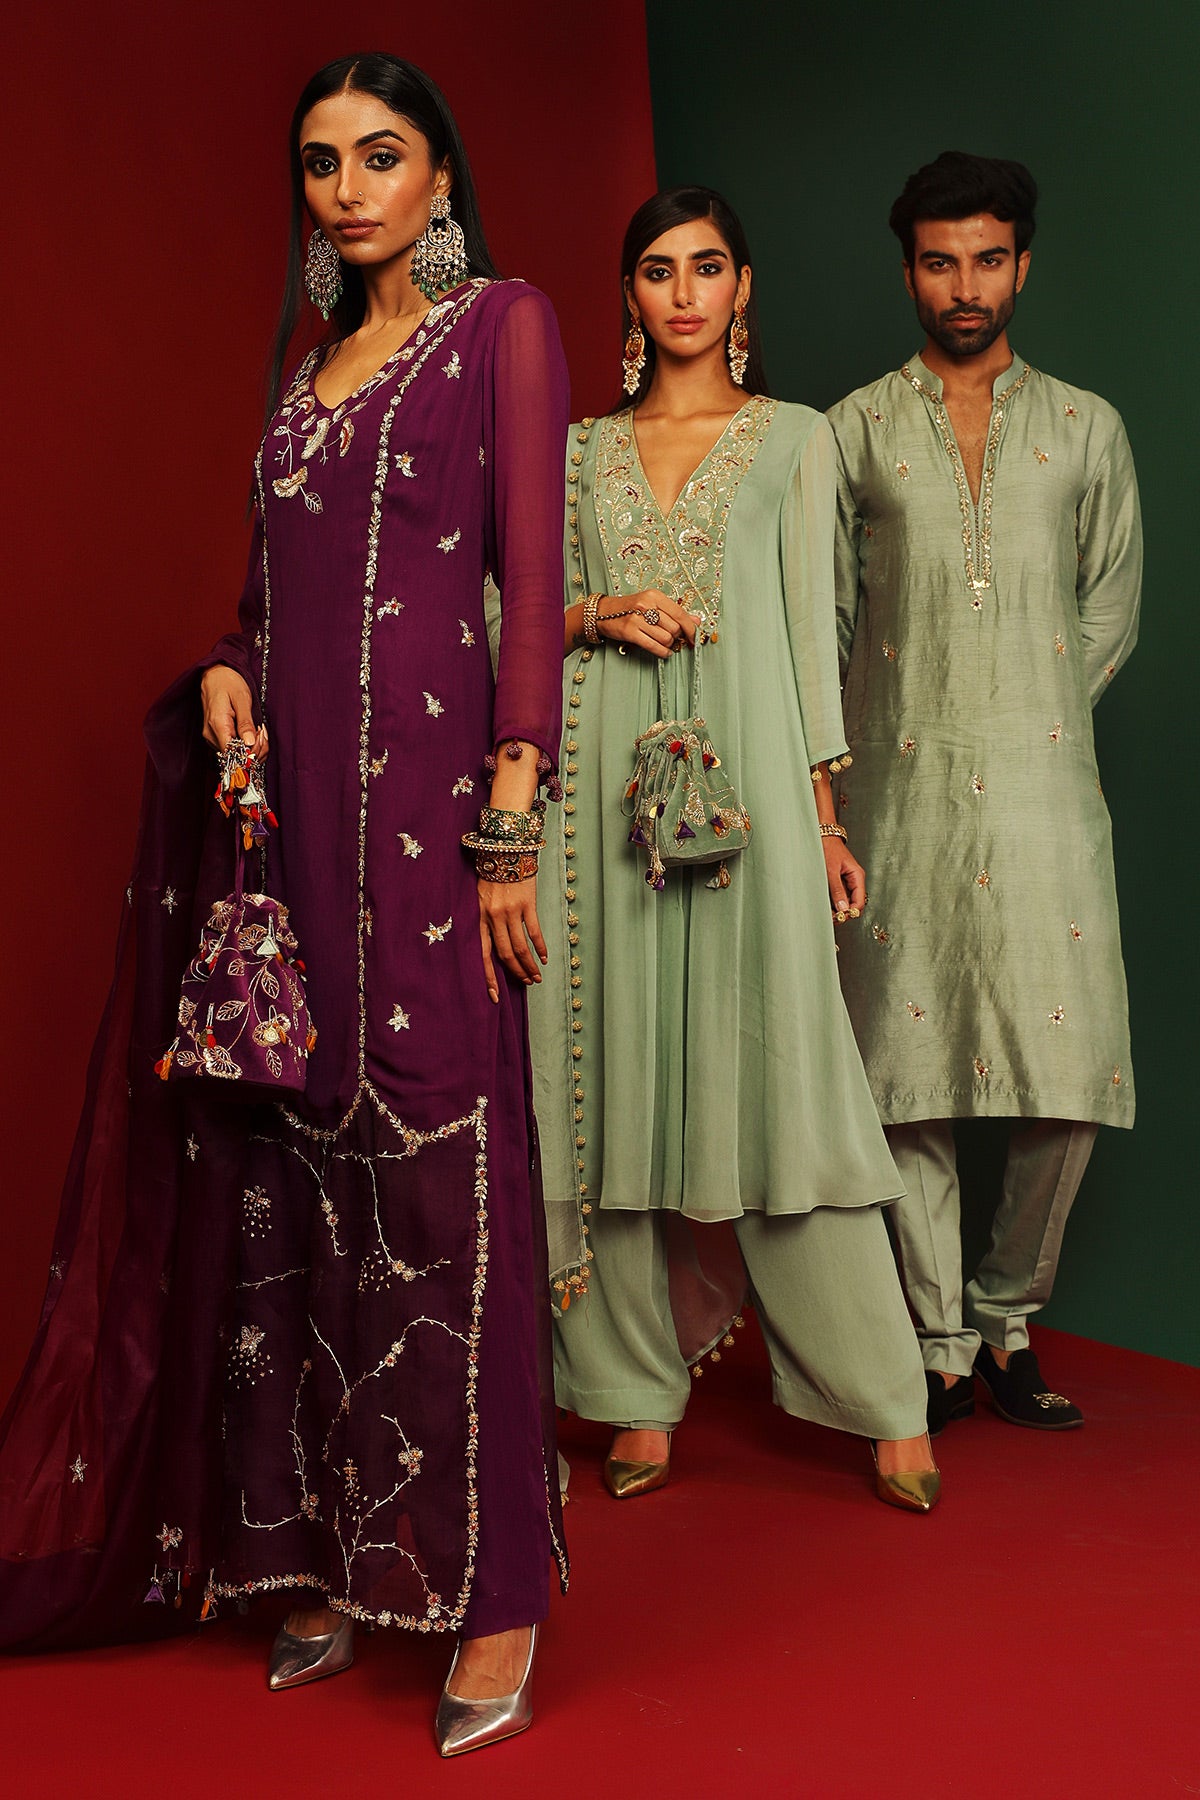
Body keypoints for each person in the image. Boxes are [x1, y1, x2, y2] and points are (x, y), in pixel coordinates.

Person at [0, 53, 569, 1758]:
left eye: (381, 156)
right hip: (296, 842)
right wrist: (227, 673)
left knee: (449, 1180)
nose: (347, 189)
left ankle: (491, 1598)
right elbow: (266, 601)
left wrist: (512, 820)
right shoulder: (307, 376)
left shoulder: (502, 330)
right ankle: (328, 1555)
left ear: (440, 174)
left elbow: (531, 579)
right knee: (298, 1183)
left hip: (434, 840)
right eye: (321, 163)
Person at [529, 186, 939, 1514]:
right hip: (595, 802)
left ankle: (883, 1400)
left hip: (747, 793)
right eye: (658, 271)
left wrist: (824, 821)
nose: (685, 293)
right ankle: (630, 1392)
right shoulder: (577, 451)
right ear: (630, 295)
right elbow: (506, 605)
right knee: (601, 1083)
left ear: (743, 287)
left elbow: (814, 635)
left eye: (708, 268)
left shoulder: (795, 439)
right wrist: (596, 612)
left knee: (785, 1077)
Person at [827, 151, 1140, 1438]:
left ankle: (1010, 1313)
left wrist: (1031, 710)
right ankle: (940, 1341)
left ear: (1024, 265)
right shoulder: (852, 429)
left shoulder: (1089, 427)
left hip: (1045, 780)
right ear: (909, 272)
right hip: (892, 787)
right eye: (940, 262)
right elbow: (828, 619)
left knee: (1071, 1074)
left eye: (989, 259)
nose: (966, 286)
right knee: (905, 1069)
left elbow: (1110, 608)